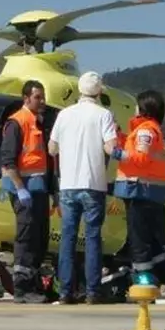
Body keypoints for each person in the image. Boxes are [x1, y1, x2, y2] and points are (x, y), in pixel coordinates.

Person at [109, 89, 165, 303]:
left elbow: (140, 159)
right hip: (151, 193)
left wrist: (114, 152)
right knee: (153, 244)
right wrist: (118, 135)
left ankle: (145, 282)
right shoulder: (148, 131)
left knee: (139, 242)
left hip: (140, 192)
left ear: (143, 108)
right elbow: (136, 149)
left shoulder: (146, 131)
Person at [48, 71, 119, 304]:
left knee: (67, 238)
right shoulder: (104, 115)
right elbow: (110, 148)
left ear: (80, 90)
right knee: (92, 238)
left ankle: (65, 292)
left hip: (68, 185)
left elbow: (51, 148)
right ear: (99, 92)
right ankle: (92, 292)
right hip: (93, 184)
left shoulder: (64, 114)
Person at [0, 79, 54, 304]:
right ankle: (22, 288)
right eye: (37, 97)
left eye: (43, 97)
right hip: (25, 191)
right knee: (26, 238)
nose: (42, 101)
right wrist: (20, 189)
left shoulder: (37, 123)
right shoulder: (17, 122)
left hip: (38, 189)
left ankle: (34, 284)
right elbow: (8, 161)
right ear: (26, 98)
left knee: (39, 239)